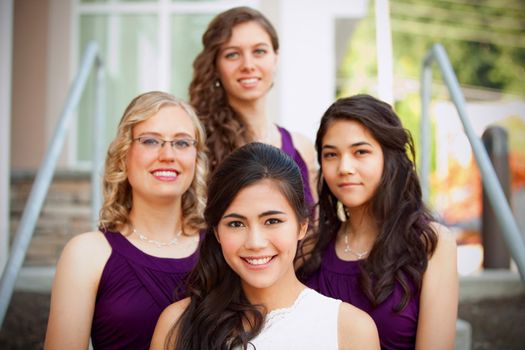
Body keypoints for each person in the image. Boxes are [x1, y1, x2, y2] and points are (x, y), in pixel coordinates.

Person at [150, 143, 379, 350]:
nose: (255, 243)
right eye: (236, 224)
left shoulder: (350, 330)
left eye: (272, 221)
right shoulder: (178, 325)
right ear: (217, 232)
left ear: (302, 226)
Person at [44, 91, 208, 349]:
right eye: (151, 141)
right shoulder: (87, 254)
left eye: (182, 142)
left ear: (196, 158)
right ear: (123, 155)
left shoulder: (220, 247)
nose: (168, 154)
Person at [297, 94, 459, 350]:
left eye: (360, 151)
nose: (344, 167)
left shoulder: (430, 243)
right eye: (331, 155)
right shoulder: (311, 245)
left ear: (389, 158)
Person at [189, 6, 316, 205]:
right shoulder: (197, 144)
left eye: (259, 51)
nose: (248, 65)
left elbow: (315, 231)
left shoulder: (303, 149)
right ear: (215, 66)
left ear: (275, 58)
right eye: (232, 54)